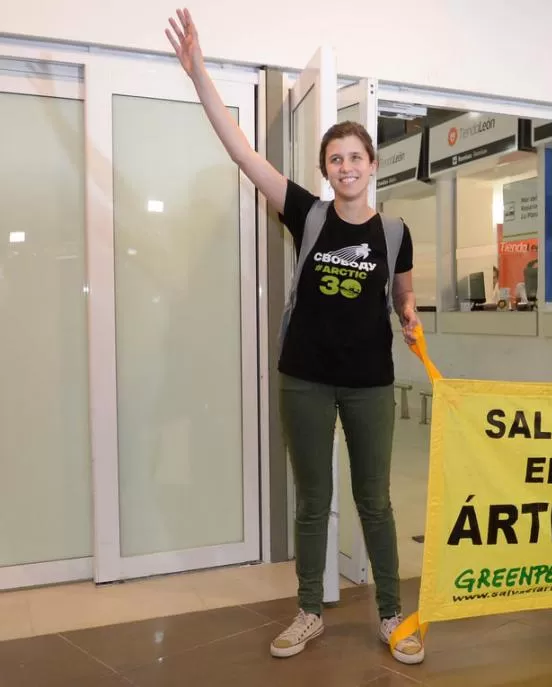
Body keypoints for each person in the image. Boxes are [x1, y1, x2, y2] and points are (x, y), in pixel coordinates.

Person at [165, 9, 425, 663]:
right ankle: (310, 608)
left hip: (370, 382)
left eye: (355, 157)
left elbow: (403, 297)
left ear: (372, 164)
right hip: (305, 377)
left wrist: (413, 317)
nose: (345, 166)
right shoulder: (306, 212)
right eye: (335, 158)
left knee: (376, 502)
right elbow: (242, 151)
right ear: (325, 169)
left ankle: (393, 614)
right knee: (314, 500)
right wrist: (200, 74)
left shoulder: (394, 233)